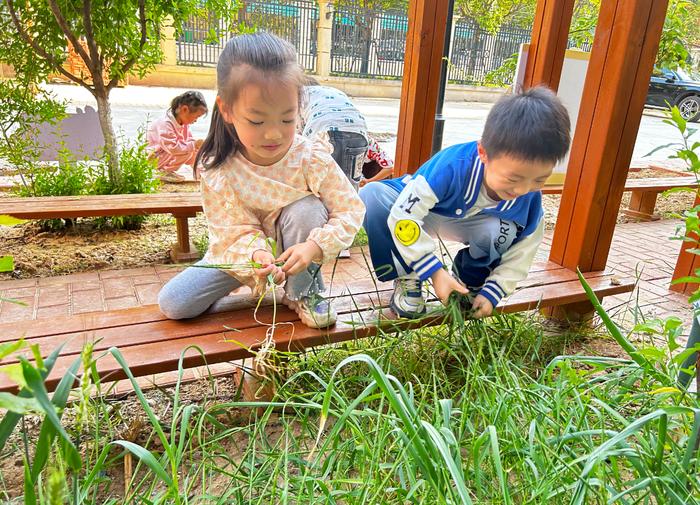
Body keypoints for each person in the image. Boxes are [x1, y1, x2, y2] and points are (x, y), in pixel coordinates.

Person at [157, 32, 365, 329]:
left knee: (306, 207)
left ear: (299, 108)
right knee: (175, 303)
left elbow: (351, 209)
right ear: (227, 109)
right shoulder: (218, 168)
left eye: (287, 118)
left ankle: (303, 292)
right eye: (257, 121)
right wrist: (256, 257)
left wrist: (313, 249)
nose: (274, 134)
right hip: (243, 252)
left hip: (299, 249)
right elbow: (233, 229)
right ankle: (249, 281)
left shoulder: (309, 157)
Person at [360, 86, 571, 319]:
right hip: (423, 211)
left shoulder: (528, 197)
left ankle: (468, 283)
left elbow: (525, 251)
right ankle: (408, 276)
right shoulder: (452, 166)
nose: (522, 190)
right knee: (373, 195)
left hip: (471, 220)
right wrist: (434, 271)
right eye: (513, 178)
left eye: (539, 179)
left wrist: (494, 291)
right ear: (483, 153)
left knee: (504, 230)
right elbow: (403, 215)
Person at [300, 79, 369, 191]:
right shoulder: (331, 91)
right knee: (351, 187)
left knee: (321, 186)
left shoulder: (300, 95)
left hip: (327, 130)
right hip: (359, 132)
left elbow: (298, 139)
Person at [147, 90, 208, 182]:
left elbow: (190, 143)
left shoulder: (184, 124)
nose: (196, 120)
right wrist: (194, 145)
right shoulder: (165, 124)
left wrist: (197, 148)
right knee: (188, 149)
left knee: (192, 149)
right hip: (154, 158)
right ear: (184, 110)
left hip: (165, 155)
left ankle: (200, 174)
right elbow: (172, 148)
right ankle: (162, 171)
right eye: (196, 117)